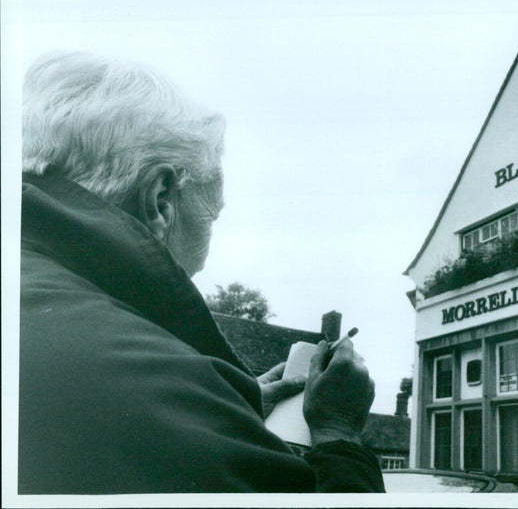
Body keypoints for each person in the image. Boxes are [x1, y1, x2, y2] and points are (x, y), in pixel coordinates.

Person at [18, 52, 385, 493]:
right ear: (161, 200)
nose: (209, 240)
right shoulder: (157, 387)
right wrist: (339, 435)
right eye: (211, 215)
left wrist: (230, 403)